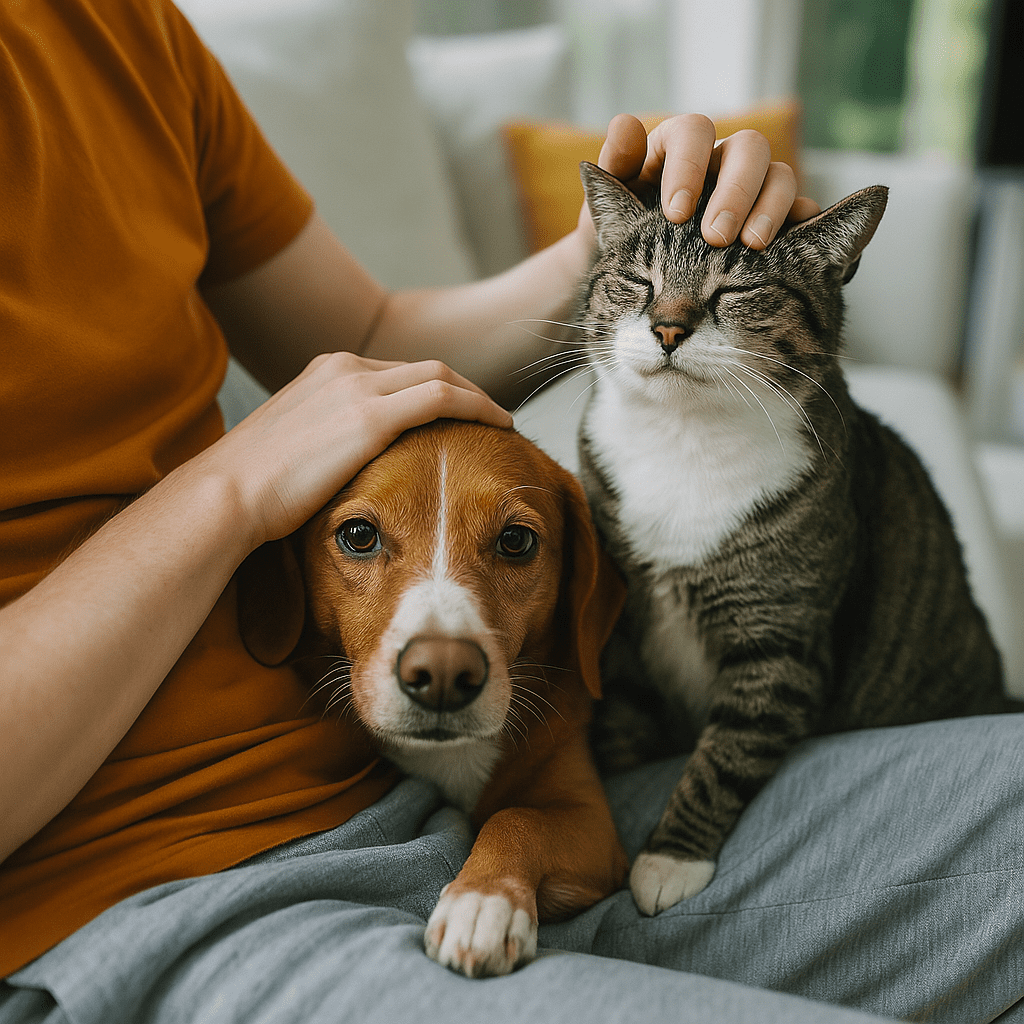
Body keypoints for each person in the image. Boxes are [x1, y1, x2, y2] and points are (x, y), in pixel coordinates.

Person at [0, 1, 1021, 1022]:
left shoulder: (127, 29)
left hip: (507, 801)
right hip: (169, 896)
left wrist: (608, 253)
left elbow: (367, 336)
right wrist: (232, 486)